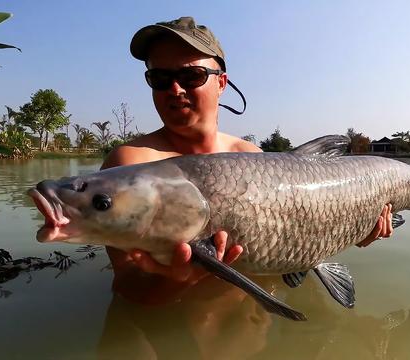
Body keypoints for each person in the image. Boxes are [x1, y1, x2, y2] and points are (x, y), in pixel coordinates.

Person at [101, 17, 393, 303]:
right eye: (160, 78)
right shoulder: (130, 165)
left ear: (222, 83)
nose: (175, 89)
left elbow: (291, 249)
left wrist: (356, 232)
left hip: (256, 329)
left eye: (191, 76)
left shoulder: (253, 157)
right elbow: (126, 285)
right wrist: (179, 280)